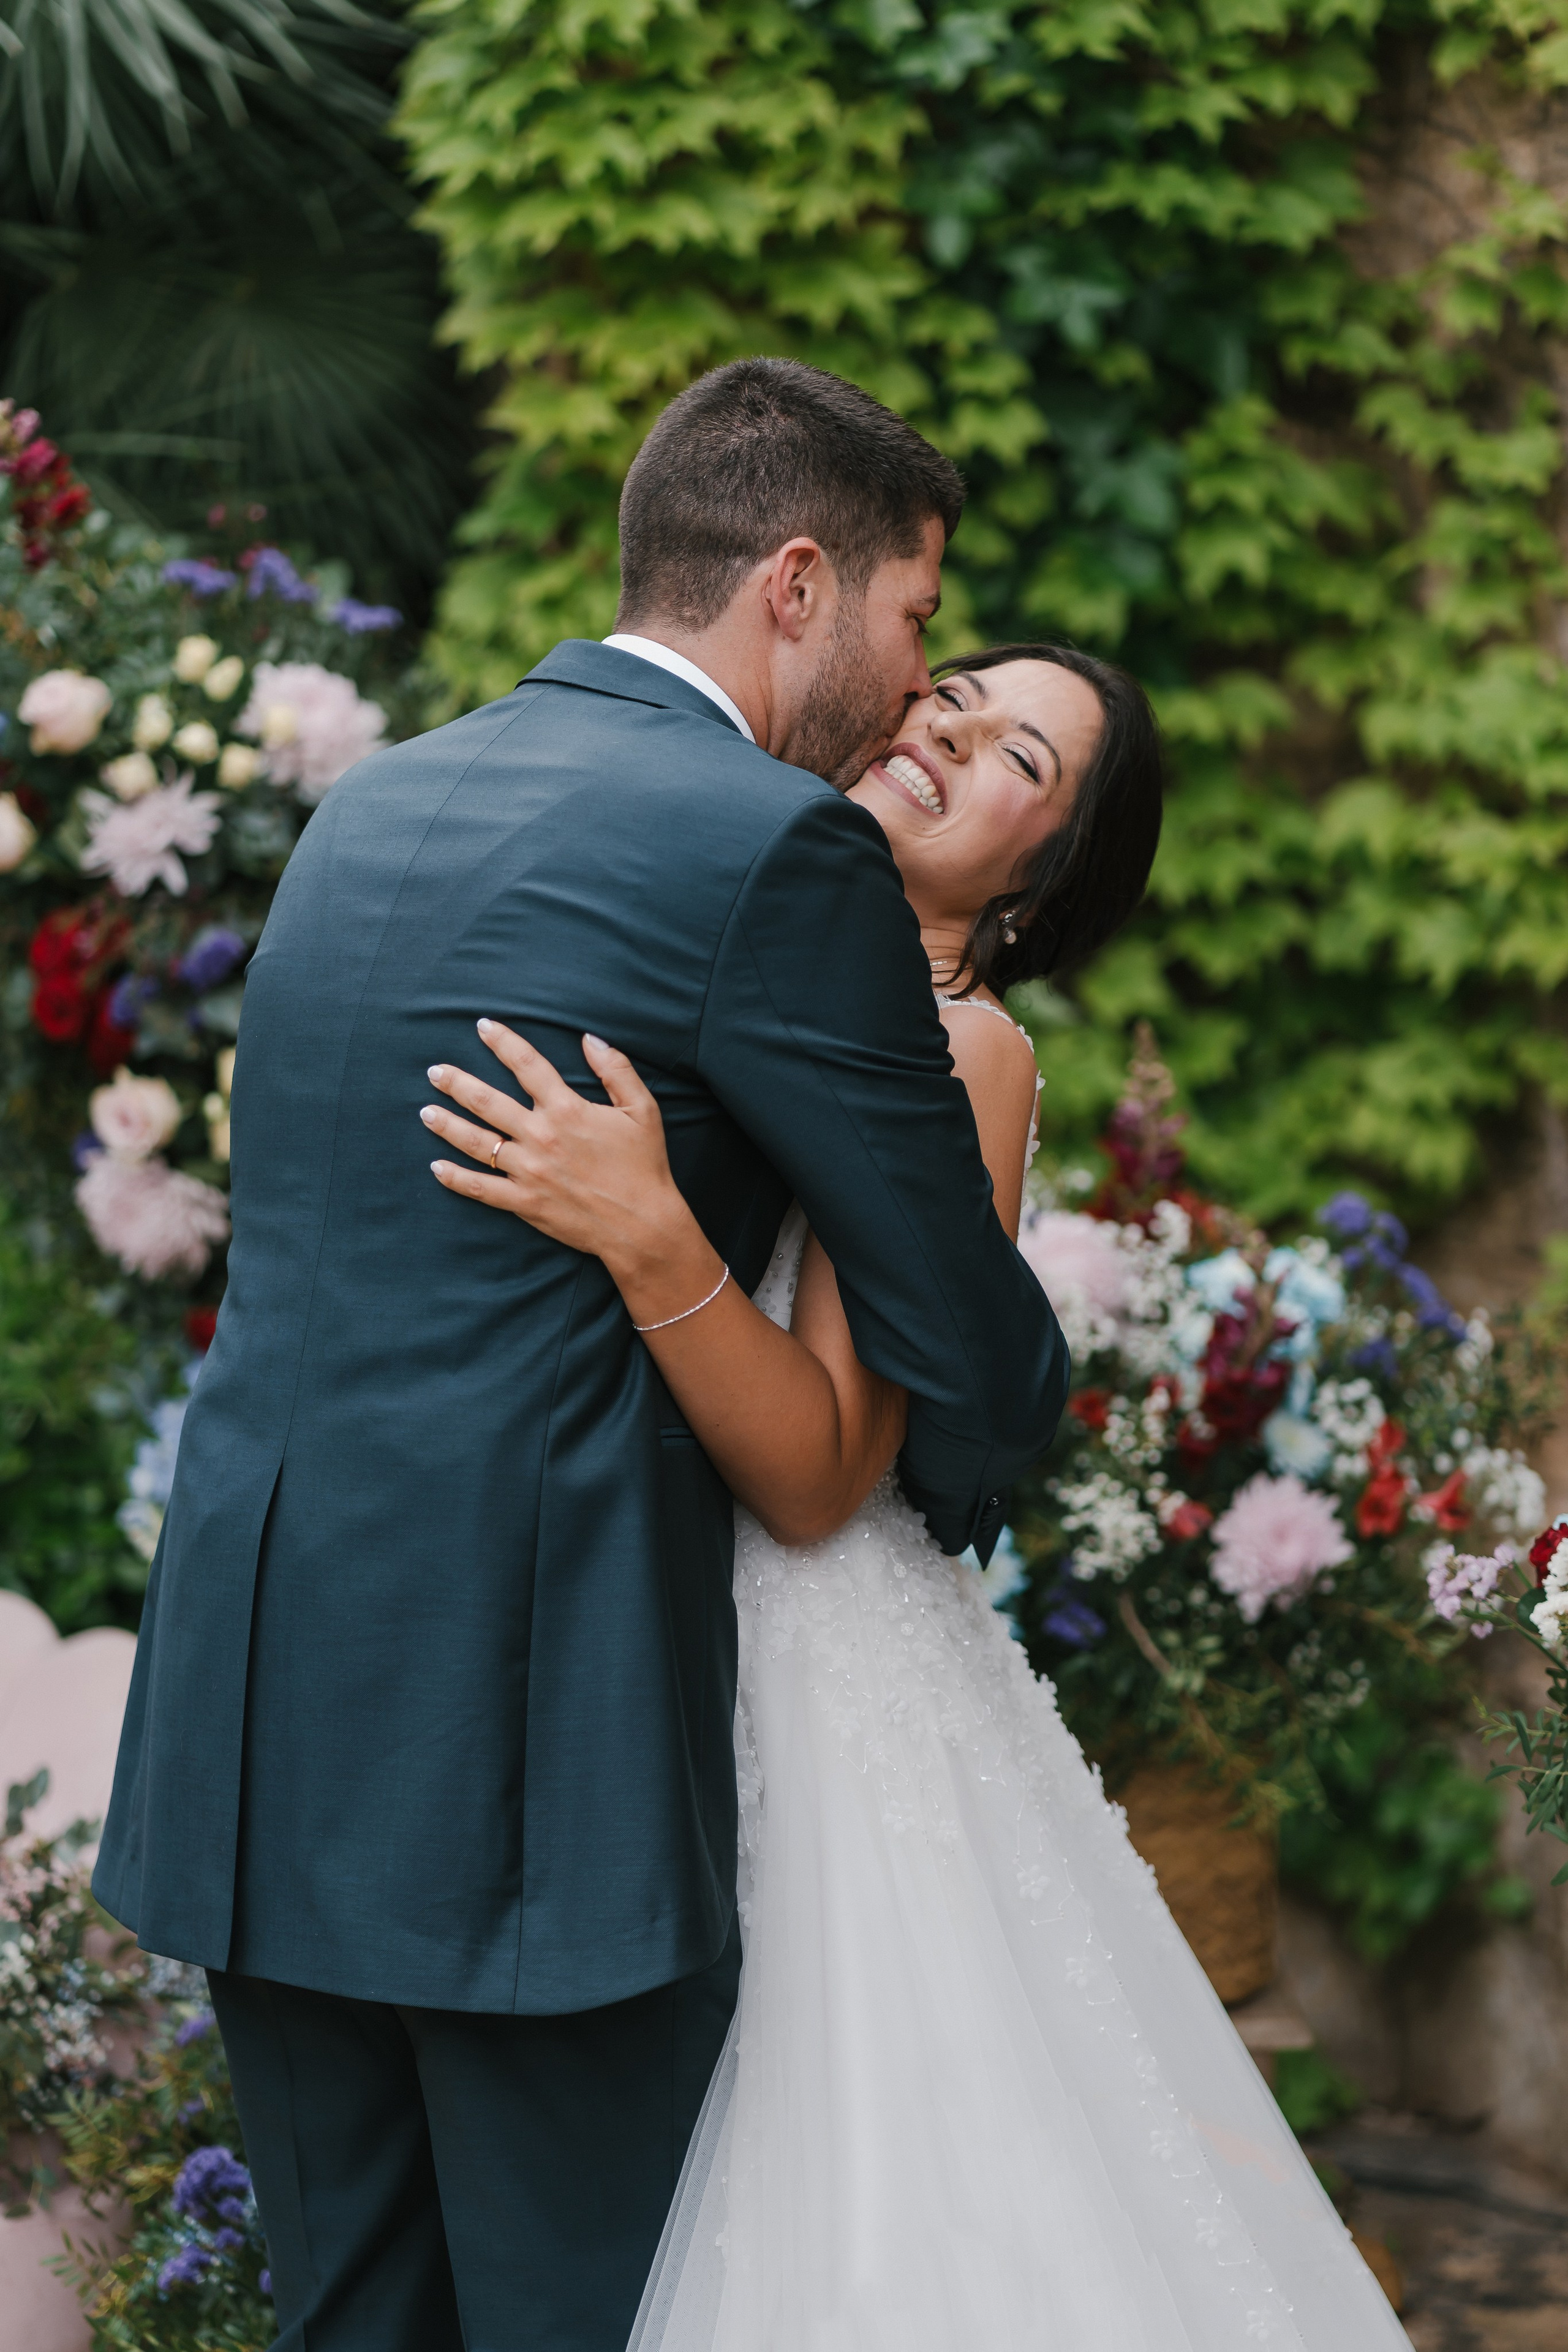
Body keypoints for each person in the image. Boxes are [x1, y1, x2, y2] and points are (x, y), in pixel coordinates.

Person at [91, 361, 1071, 2351]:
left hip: (264, 1731)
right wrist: (986, 1454)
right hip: (526, 1767)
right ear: (797, 582)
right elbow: (964, 1335)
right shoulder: (770, 853)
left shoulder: (380, 801)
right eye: (913, 620)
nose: (915, 686)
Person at [423, 646, 1412, 2350]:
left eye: (1015, 750)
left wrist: (646, 1226)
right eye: (949, 685)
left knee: (864, 2168)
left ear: (1039, 886)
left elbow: (824, 1476)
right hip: (623, 1597)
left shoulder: (960, 1049)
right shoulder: (729, 952)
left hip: (802, 1650)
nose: (946, 728)